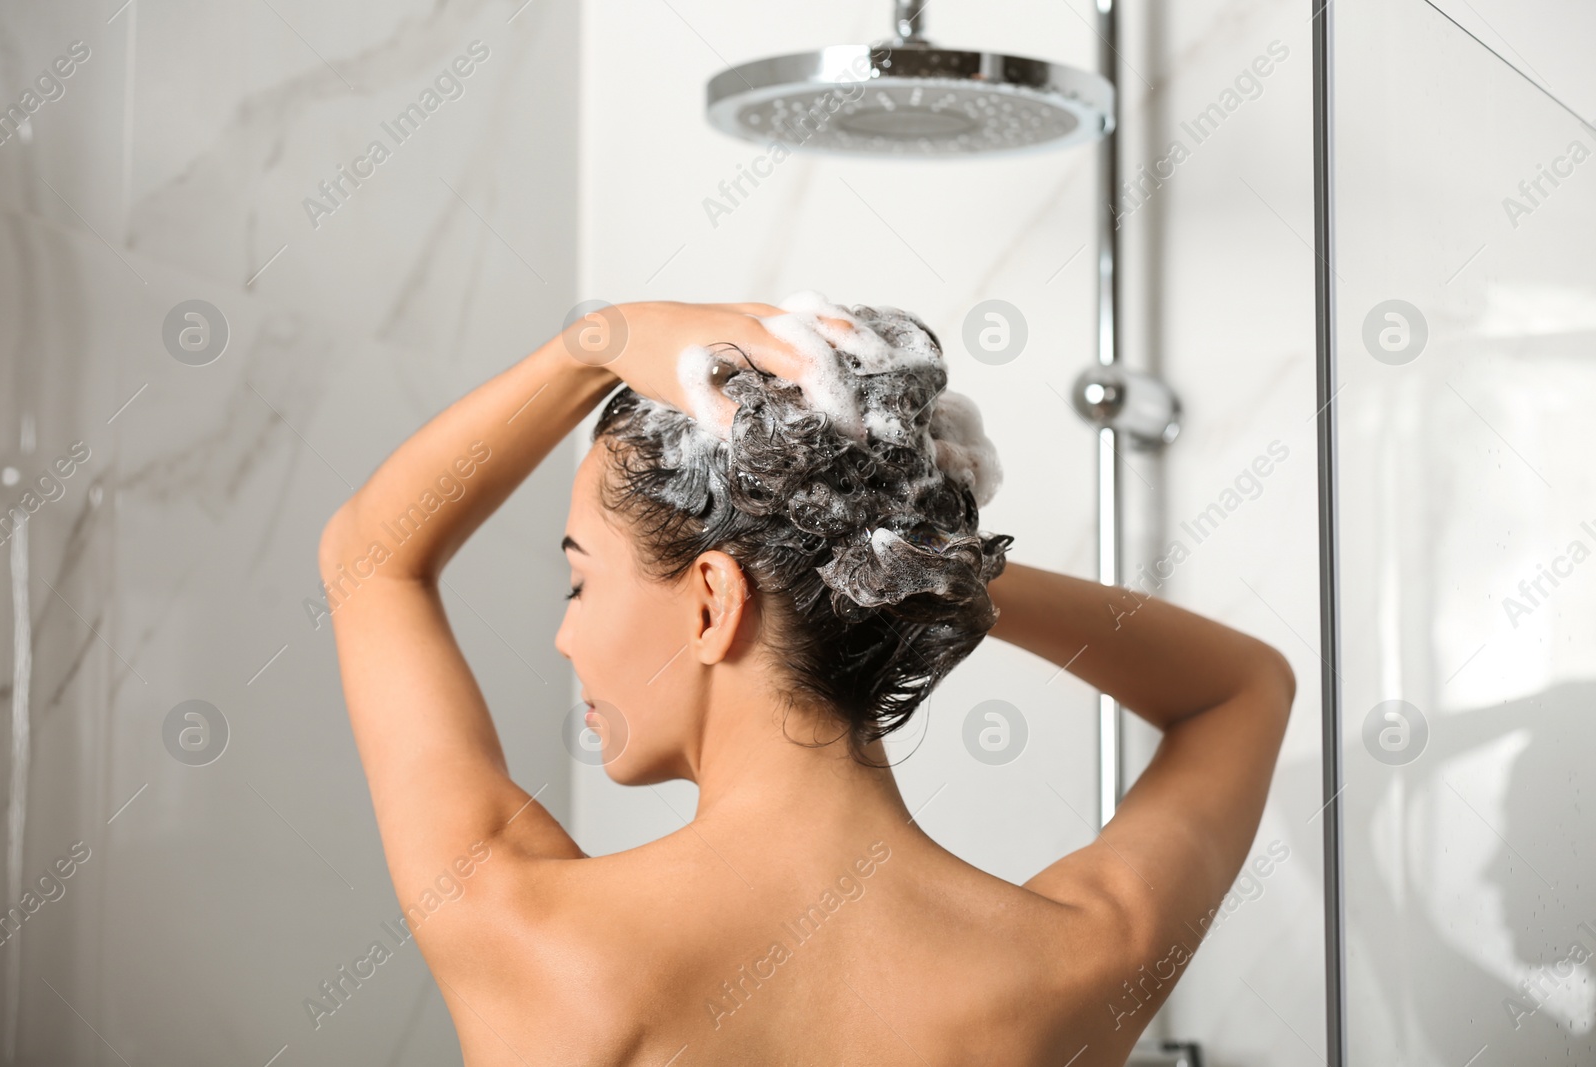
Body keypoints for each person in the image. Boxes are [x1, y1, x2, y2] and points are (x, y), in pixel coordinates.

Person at [318, 298, 1295, 1066]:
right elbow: (1241, 687)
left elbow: (371, 557)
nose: (567, 636)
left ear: (710, 601)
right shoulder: (1070, 961)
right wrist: (924, 566)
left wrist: (594, 341)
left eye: (579, 579)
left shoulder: (526, 929)